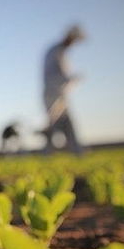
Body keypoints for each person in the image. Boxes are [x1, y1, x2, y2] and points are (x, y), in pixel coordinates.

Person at [41, 25, 85, 155]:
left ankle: (77, 152)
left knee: (66, 124)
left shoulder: (59, 51)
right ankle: (47, 154)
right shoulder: (56, 52)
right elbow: (56, 76)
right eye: (74, 40)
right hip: (53, 95)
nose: (74, 43)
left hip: (59, 95)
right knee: (54, 124)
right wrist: (72, 79)